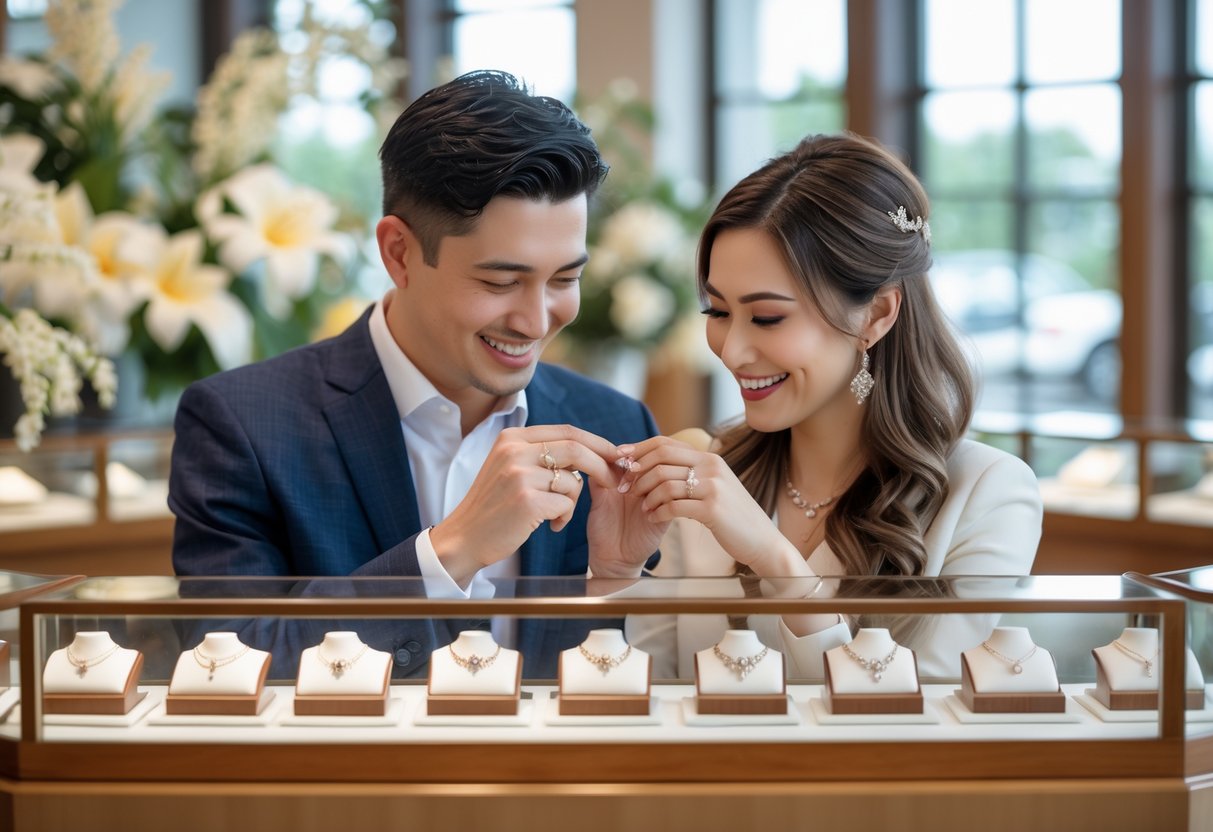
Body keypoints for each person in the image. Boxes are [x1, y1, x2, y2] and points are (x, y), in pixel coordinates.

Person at [168, 71, 665, 679]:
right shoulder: (241, 423)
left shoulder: (615, 423)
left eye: (565, 279)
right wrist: (450, 552)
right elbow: (228, 664)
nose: (537, 320)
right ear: (399, 253)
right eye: (501, 282)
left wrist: (613, 585)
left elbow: (641, 678)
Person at [621, 133, 1043, 680]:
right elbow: (647, 694)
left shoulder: (988, 494)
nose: (732, 349)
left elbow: (923, 722)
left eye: (768, 317)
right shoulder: (707, 468)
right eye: (717, 311)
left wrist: (776, 561)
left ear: (876, 316)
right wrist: (618, 568)